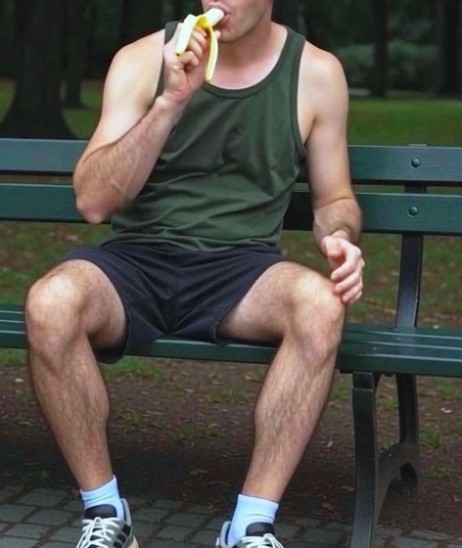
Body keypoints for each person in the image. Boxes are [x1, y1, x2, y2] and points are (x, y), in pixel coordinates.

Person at [25, 0, 365, 547]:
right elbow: (92, 202)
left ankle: (250, 526)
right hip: (136, 261)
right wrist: (170, 102)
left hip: (242, 270)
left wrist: (340, 236)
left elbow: (335, 199)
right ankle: (106, 515)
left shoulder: (316, 74)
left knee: (321, 306)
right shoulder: (142, 61)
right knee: (50, 302)